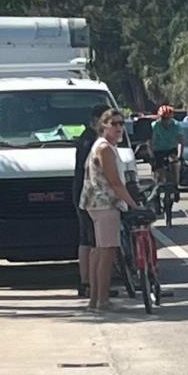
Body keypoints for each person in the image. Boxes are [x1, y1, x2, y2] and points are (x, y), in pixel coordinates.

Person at [79, 108, 139, 312]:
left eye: (122, 124)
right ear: (103, 126)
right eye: (114, 124)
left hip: (97, 205)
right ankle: (102, 300)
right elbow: (115, 182)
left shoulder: (105, 146)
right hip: (105, 205)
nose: (119, 128)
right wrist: (133, 204)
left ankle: (95, 299)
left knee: (98, 251)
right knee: (107, 252)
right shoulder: (104, 148)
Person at [73, 103, 109, 298]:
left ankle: (91, 283)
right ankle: (88, 283)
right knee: (91, 241)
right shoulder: (90, 141)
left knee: (90, 240)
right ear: (96, 121)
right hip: (88, 196)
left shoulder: (92, 138)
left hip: (86, 194)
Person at [150, 104, 184, 192]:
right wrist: (151, 154)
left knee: (174, 163)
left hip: (171, 149)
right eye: (163, 119)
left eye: (167, 119)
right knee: (159, 171)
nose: (165, 121)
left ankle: (176, 186)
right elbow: (150, 141)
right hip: (158, 150)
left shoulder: (177, 126)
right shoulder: (155, 126)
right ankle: (158, 188)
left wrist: (180, 155)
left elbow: (181, 142)